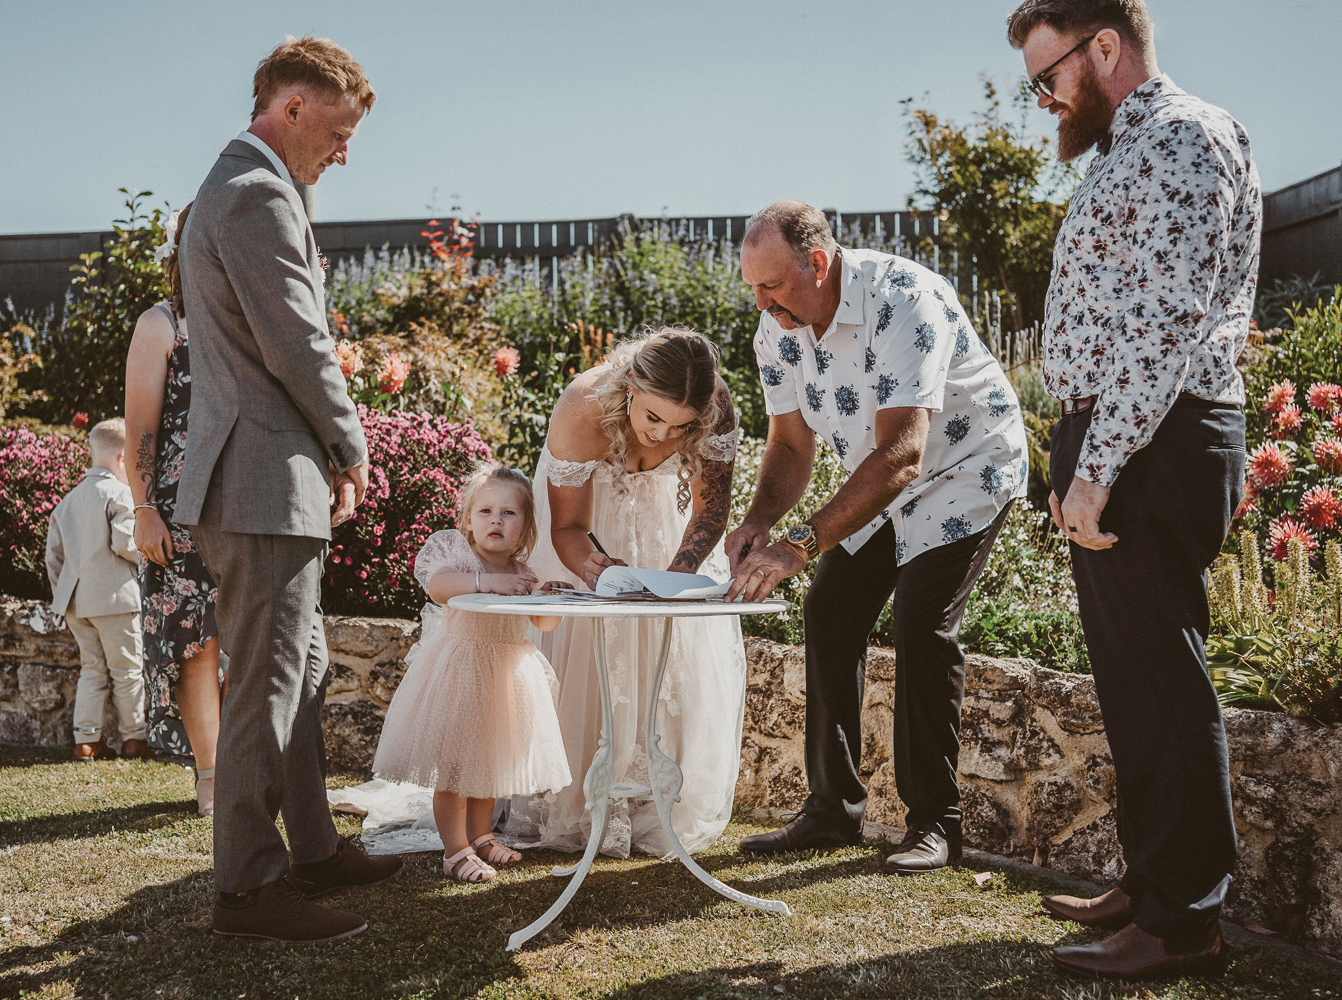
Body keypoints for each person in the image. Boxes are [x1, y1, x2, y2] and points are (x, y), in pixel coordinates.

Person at [1006, 0, 1259, 979]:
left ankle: (1185, 920)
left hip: (1153, 440)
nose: (1043, 99)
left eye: (1047, 75)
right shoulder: (1129, 147)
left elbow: (1163, 321)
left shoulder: (1184, 139)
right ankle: (1154, 882)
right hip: (1126, 434)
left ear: (1102, 46)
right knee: (1132, 680)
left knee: (1161, 677)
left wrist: (1098, 467)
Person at [174, 35, 401, 943]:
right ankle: (247, 891)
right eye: (339, 132)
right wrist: (352, 449)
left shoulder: (240, 190)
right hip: (262, 479)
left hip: (265, 476)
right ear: (292, 109)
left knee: (297, 672)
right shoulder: (256, 194)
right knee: (267, 686)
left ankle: (313, 847)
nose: (344, 152)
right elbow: (298, 344)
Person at [726, 201, 1028, 874]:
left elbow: (905, 454)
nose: (760, 301)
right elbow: (788, 446)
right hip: (881, 476)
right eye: (752, 285)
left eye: (770, 284)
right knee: (830, 610)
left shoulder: (903, 298)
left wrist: (799, 545)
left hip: (965, 469)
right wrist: (759, 523)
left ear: (819, 263)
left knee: (921, 621)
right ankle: (833, 811)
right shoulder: (777, 330)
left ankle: (935, 826)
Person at [503, 327, 745, 858]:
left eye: (681, 427)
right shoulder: (584, 406)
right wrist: (599, 574)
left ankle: (649, 795)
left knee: (667, 650)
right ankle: (579, 795)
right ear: (632, 385)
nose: (662, 437)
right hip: (588, 532)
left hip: (662, 522)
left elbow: (710, 509)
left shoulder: (715, 406)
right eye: (653, 417)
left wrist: (676, 578)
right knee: (588, 653)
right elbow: (568, 528)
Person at [372, 464, 572, 882]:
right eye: (485, 511)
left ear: (526, 526)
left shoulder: (524, 574)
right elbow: (439, 588)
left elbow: (545, 625)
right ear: (468, 520)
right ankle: (455, 850)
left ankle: (481, 836)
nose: (495, 520)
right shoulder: (460, 561)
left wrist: (550, 599)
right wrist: (486, 583)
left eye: (508, 513)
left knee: (489, 764)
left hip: (507, 680)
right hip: (460, 674)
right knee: (455, 768)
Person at [124, 202, 223, 817]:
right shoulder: (161, 324)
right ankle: (211, 775)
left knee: (247, 645)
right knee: (195, 645)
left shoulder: (244, 317)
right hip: (179, 515)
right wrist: (144, 510)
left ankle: (242, 768)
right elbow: (142, 428)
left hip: (244, 508)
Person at [45, 417, 150, 761]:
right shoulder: (120, 492)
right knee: (127, 669)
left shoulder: (67, 501)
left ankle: (87, 740)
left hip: (76, 602)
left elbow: (53, 558)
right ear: (123, 459)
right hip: (115, 597)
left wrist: (62, 598)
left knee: (92, 668)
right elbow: (125, 542)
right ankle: (134, 740)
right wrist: (150, 559)